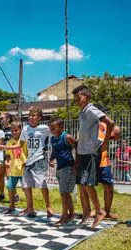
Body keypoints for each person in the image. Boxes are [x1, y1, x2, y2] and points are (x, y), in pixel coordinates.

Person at [72, 85, 115, 227]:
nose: (77, 101)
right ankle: (86, 213)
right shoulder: (82, 112)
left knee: (88, 184)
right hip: (82, 152)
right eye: (75, 99)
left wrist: (105, 143)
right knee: (82, 184)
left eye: (79, 98)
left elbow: (110, 122)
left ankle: (100, 211)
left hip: (90, 152)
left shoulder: (91, 109)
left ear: (87, 97)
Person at [5, 106, 54, 218]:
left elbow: (55, 134)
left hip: (39, 159)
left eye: (33, 115)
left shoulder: (44, 128)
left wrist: (51, 156)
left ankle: (48, 207)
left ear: (39, 117)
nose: (30, 118)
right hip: (29, 161)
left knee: (41, 183)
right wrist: (5, 147)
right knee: (26, 185)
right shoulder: (25, 129)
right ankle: (30, 207)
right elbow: (20, 144)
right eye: (29, 116)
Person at [48, 117, 77, 225]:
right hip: (59, 167)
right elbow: (54, 150)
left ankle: (64, 216)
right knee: (65, 193)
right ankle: (72, 214)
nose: (52, 130)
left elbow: (77, 146)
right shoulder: (53, 139)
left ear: (61, 127)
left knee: (64, 193)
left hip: (68, 167)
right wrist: (51, 159)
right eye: (50, 128)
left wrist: (76, 164)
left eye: (54, 128)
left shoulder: (67, 137)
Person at [94, 105, 121, 220]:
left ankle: (108, 211)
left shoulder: (105, 126)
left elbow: (115, 136)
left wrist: (115, 130)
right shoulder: (90, 126)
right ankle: (95, 210)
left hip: (104, 161)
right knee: (87, 187)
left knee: (109, 186)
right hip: (92, 161)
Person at [3, 121, 27, 213]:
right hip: (14, 169)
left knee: (26, 189)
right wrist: (7, 161)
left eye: (16, 130)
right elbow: (8, 155)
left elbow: (27, 153)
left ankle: (29, 207)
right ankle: (11, 205)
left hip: (23, 169)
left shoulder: (24, 141)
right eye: (12, 130)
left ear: (20, 130)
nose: (14, 132)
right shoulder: (9, 142)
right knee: (10, 187)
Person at [0, 112, 15, 202]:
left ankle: (14, 195)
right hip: (1, 154)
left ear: (8, 119)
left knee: (10, 175)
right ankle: (2, 194)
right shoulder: (0, 129)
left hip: (10, 155)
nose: (1, 120)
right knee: (0, 175)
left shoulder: (12, 128)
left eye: (2, 118)